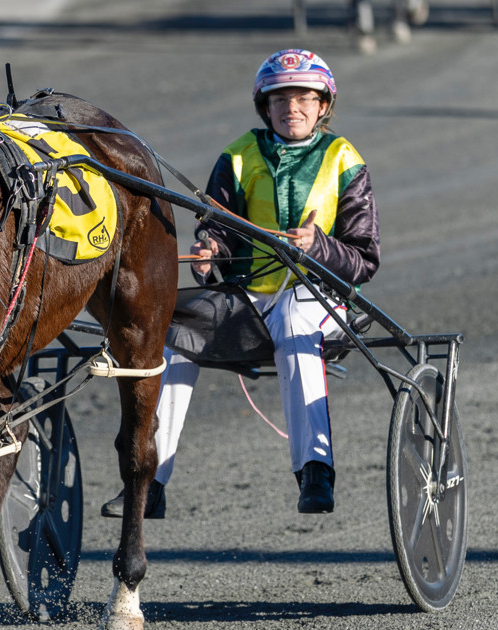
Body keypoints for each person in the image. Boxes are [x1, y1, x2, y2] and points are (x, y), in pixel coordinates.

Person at [102, 48, 380, 518]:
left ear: (323, 105)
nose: (291, 107)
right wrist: (209, 255)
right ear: (264, 106)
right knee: (173, 331)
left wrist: (318, 246)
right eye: (280, 99)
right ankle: (148, 481)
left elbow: (364, 258)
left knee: (294, 317)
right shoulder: (237, 156)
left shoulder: (344, 159)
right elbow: (217, 231)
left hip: (322, 300)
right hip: (248, 301)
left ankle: (315, 470)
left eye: (303, 98)